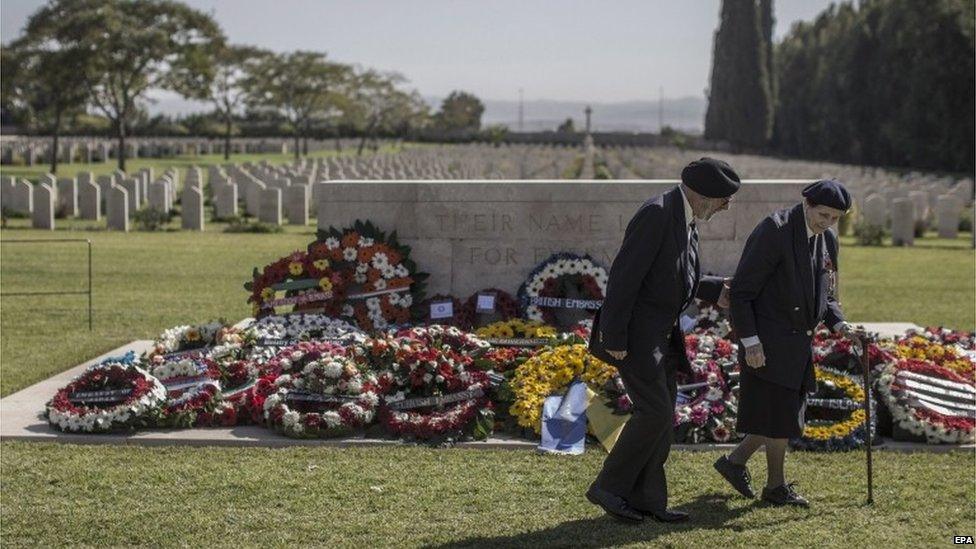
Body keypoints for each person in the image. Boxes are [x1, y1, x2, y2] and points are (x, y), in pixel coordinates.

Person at [586, 157, 740, 524]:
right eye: (723, 199)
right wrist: (615, 336)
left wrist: (714, 290)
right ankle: (608, 487)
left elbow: (673, 275)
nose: (726, 206)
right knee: (653, 412)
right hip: (635, 336)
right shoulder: (657, 214)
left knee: (663, 412)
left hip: (661, 334)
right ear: (703, 194)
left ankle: (648, 499)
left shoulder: (686, 218)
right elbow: (625, 277)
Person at [715, 179, 855, 507]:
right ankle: (774, 486)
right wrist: (750, 342)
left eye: (835, 218)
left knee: (783, 414)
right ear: (806, 204)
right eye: (823, 214)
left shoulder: (828, 239)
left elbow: (827, 292)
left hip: (797, 343)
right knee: (780, 418)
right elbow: (743, 292)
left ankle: (735, 462)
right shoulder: (774, 231)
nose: (828, 223)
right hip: (767, 339)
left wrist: (840, 323)